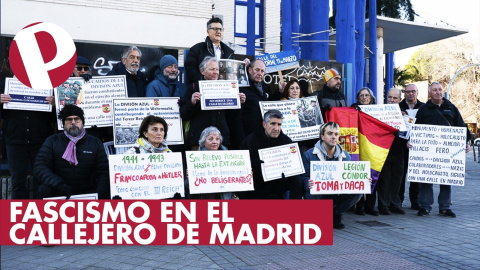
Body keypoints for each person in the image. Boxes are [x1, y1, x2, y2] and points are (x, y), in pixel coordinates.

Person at [413, 82, 470, 217]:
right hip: (427, 152)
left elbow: (461, 126)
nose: (438, 92)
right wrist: (412, 142)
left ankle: (445, 207)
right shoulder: (424, 110)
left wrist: (466, 142)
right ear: (429, 93)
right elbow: (415, 129)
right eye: (434, 90)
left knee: (446, 178)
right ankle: (425, 206)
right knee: (426, 178)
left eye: (440, 89)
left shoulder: (451, 107)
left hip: (448, 152)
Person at [34, 105, 110, 199]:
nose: (73, 123)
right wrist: (58, 184)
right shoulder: (52, 141)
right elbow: (40, 167)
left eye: (77, 119)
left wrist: (100, 195)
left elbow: (103, 172)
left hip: (88, 191)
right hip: (59, 190)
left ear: (83, 122)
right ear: (63, 123)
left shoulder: (95, 142)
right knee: (43, 190)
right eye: (69, 120)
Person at [303, 122, 363, 229]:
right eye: (330, 133)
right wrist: (307, 181)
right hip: (317, 192)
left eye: (336, 134)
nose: (333, 137)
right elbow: (303, 177)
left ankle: (335, 213)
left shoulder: (346, 156)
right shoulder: (309, 154)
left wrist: (362, 180)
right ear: (322, 136)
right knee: (309, 189)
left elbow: (350, 178)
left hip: (337, 192)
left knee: (359, 190)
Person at [0, 81, 55, 199]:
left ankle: (39, 213)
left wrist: (56, 104)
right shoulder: (5, 85)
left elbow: (57, 119)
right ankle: (19, 215)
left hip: (41, 142)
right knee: (18, 182)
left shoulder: (47, 86)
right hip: (15, 142)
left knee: (42, 181)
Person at [180, 56, 245, 150]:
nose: (216, 72)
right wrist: (192, 103)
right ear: (202, 71)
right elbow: (184, 114)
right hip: (199, 140)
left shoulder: (226, 87)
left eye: (217, 69)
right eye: (212, 69)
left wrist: (240, 103)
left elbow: (233, 117)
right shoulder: (193, 87)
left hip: (221, 140)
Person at [239, 110, 303, 199]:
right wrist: (254, 166)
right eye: (272, 124)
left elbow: (295, 169)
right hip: (256, 190)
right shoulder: (250, 141)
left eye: (279, 124)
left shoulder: (286, 141)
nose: (276, 128)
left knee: (297, 179)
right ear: (264, 124)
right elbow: (241, 168)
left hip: (279, 189)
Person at [376, 88, 407, 215]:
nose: (392, 100)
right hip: (384, 151)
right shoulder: (380, 112)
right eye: (390, 97)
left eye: (395, 98)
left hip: (399, 151)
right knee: (384, 180)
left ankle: (395, 204)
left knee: (397, 180)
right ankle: (383, 205)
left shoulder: (405, 115)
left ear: (400, 100)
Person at [399, 83, 425, 210]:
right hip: (401, 146)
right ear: (404, 93)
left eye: (413, 91)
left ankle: (415, 202)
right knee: (401, 175)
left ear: (417, 93)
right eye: (408, 91)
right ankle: (398, 201)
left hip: (417, 147)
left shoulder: (424, 107)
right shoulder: (398, 107)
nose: (411, 94)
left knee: (416, 176)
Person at [185, 17, 234, 84]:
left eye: (220, 29)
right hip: (204, 88)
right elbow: (190, 69)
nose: (218, 32)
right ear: (208, 31)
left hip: (224, 88)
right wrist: (204, 81)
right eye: (215, 29)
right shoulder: (196, 49)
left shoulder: (229, 52)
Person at [192, 126, 234, 200]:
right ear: (203, 142)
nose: (214, 142)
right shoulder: (195, 159)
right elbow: (186, 185)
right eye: (210, 139)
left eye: (217, 139)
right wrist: (190, 178)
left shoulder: (227, 157)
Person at [239, 59, 273, 137]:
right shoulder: (242, 88)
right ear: (250, 70)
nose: (259, 73)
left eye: (262, 71)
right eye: (257, 70)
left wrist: (280, 92)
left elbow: (272, 104)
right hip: (247, 137)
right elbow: (236, 118)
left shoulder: (265, 87)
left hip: (262, 136)